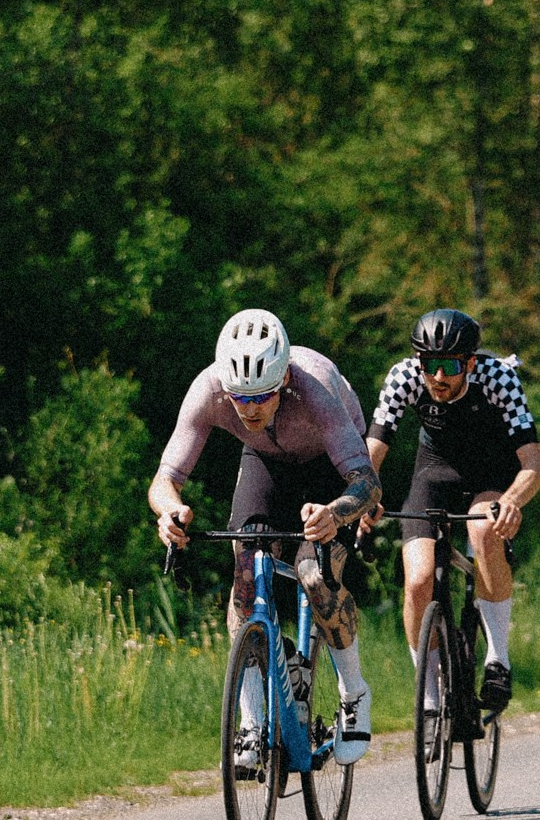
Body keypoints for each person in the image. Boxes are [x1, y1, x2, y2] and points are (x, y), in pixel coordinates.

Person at [151, 309, 378, 764]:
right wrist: (169, 512)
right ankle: (252, 724)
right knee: (245, 572)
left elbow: (367, 484)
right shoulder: (208, 389)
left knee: (314, 575)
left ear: (284, 379)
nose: (250, 409)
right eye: (240, 398)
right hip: (266, 463)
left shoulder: (315, 389)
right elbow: (164, 480)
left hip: (329, 468)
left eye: (263, 397)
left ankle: (354, 694)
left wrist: (335, 513)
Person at [365, 308, 540, 714]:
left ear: (470, 362)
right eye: (430, 365)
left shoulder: (498, 378)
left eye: (449, 366)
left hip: (490, 474)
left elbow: (533, 461)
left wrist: (511, 501)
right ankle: (427, 696)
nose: (438, 377)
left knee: (483, 531)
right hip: (434, 473)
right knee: (418, 581)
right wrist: (361, 496)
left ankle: (498, 659)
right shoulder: (405, 377)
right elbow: (370, 453)